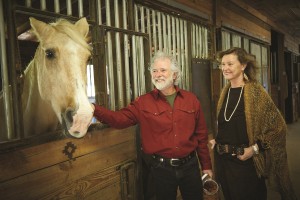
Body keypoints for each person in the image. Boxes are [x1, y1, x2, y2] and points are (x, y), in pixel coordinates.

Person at [71, 51, 213, 200]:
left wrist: (206, 166)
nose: (158, 74)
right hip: (161, 170)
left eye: (163, 70)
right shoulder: (143, 102)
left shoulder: (191, 100)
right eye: (154, 71)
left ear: (175, 75)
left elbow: (201, 136)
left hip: (190, 166)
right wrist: (94, 109)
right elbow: (119, 119)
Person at [210, 47, 297, 200]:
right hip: (224, 164)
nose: (225, 68)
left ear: (243, 65)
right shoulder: (225, 91)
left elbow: (279, 128)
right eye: (222, 64)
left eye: (230, 64)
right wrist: (219, 139)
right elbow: (229, 123)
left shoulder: (256, 92)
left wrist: (255, 149)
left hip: (246, 165)